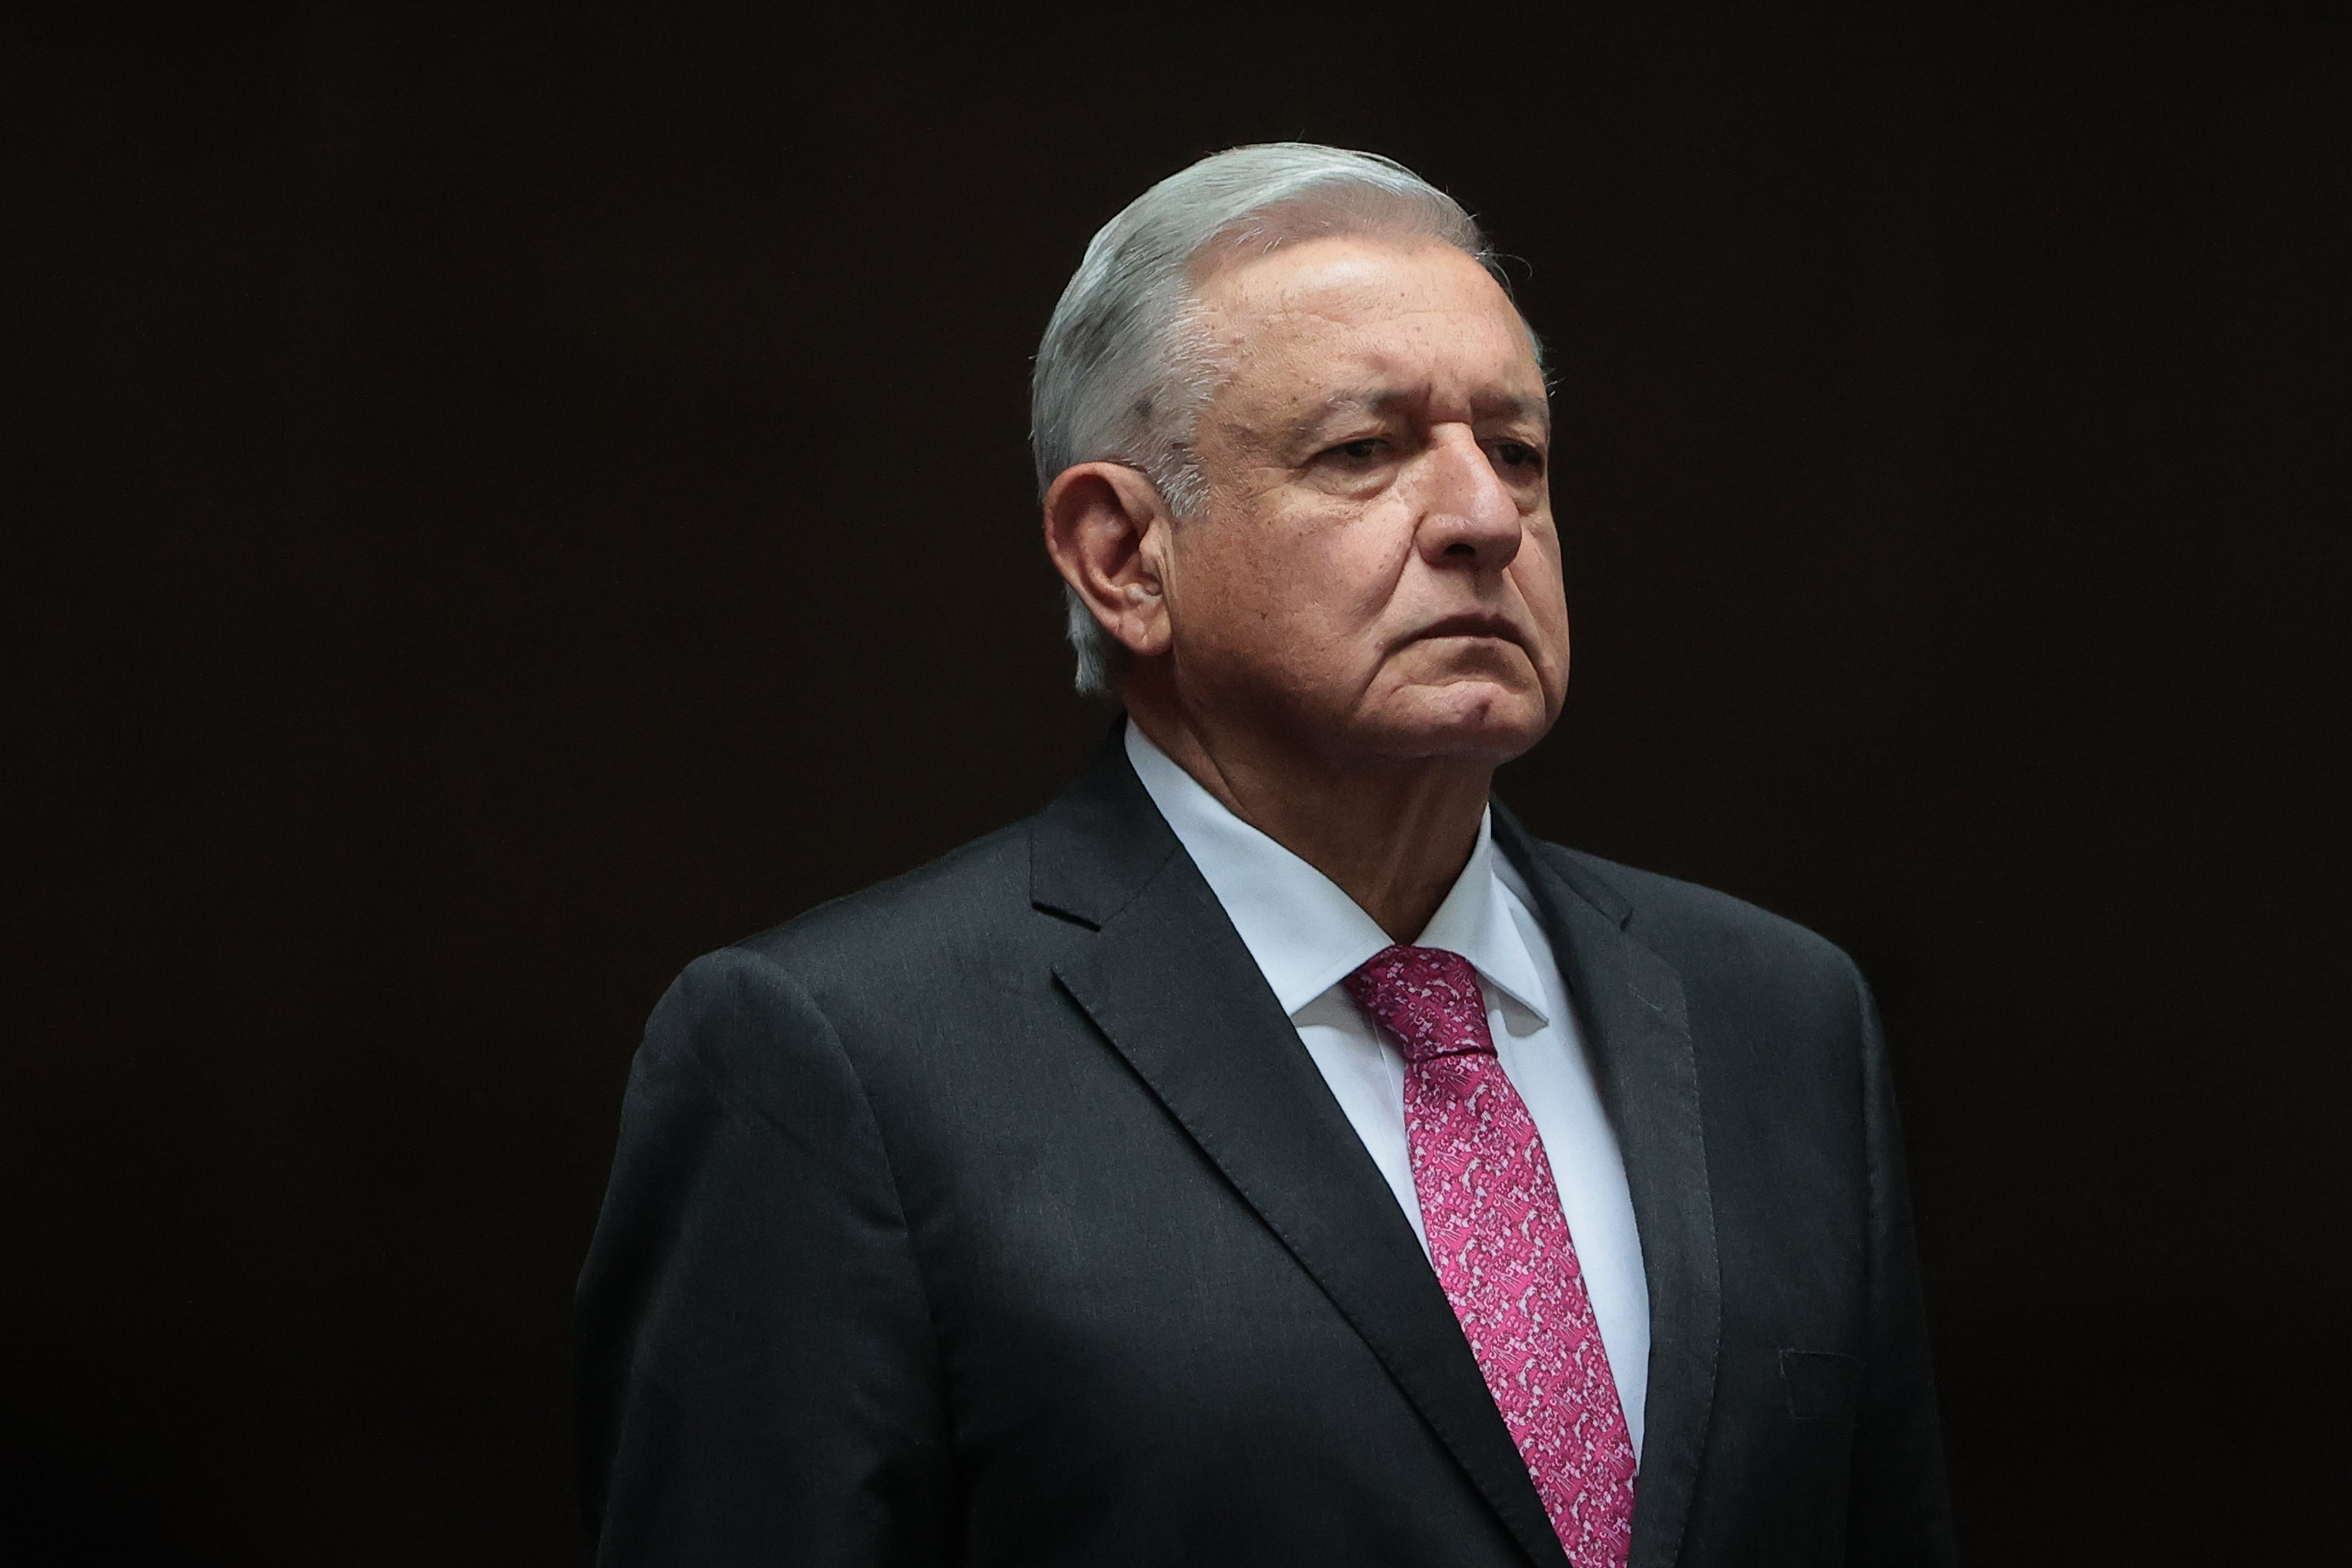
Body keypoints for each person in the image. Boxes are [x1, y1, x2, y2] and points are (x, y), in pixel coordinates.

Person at [575, 143, 1956, 1568]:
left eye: (1517, 450)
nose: (1485, 518)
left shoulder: (1777, 1018)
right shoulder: (837, 1062)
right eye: (1362, 450)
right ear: (1120, 552)